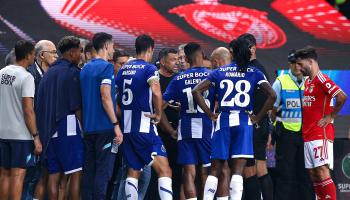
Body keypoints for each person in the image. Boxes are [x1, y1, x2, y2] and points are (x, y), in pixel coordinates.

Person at [192, 37, 276, 200]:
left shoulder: (220, 71)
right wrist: (258, 118)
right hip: (244, 123)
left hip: (223, 121)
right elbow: (272, 95)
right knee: (238, 171)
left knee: (215, 170)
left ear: (232, 52)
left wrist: (210, 113)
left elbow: (196, 91)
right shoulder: (254, 72)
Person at [116, 34, 173, 200]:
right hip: (144, 126)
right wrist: (159, 112)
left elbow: (117, 100)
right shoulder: (149, 69)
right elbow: (155, 90)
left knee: (133, 171)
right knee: (165, 170)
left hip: (127, 128)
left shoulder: (123, 70)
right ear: (151, 49)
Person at [163, 42, 215, 200]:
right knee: (206, 170)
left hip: (185, 129)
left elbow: (161, 105)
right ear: (201, 55)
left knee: (188, 171)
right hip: (206, 128)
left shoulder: (179, 78)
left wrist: (169, 129)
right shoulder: (211, 75)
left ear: (186, 58)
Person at [295, 46, 347, 200]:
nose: (298, 67)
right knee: (313, 174)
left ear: (310, 62)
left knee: (322, 171)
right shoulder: (308, 82)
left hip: (320, 133)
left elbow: (342, 96)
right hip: (308, 134)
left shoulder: (322, 79)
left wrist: (331, 116)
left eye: (300, 64)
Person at [35, 36, 83, 200]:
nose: (81, 55)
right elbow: (76, 106)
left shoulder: (47, 74)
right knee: (76, 173)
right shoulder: (72, 72)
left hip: (49, 131)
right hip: (68, 128)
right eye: (80, 52)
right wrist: (85, 129)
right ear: (71, 52)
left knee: (54, 176)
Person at [80, 32, 123, 200]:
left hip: (89, 128)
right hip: (105, 127)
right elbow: (105, 97)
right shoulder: (106, 67)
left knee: (89, 172)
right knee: (103, 172)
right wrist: (115, 124)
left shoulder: (85, 68)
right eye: (112, 46)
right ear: (106, 46)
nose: (113, 49)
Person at [0, 40, 43, 200]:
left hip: (2, 133)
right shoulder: (27, 77)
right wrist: (36, 136)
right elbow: (28, 110)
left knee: (4, 174)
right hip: (21, 136)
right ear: (28, 55)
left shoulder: (2, 72)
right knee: (18, 174)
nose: (34, 57)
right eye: (33, 54)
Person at [270, 50, 314, 200]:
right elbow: (272, 109)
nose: (296, 66)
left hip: (307, 136)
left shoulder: (310, 82)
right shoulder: (281, 81)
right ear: (290, 63)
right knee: (285, 174)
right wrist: (274, 128)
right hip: (286, 135)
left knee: (306, 174)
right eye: (293, 63)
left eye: (299, 63)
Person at [238, 33, 274, 200]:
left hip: (256, 126)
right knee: (256, 168)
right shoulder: (253, 67)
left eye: (242, 49)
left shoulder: (256, 69)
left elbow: (269, 97)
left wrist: (258, 118)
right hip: (259, 125)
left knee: (254, 168)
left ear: (252, 49)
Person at [22, 39, 58, 200]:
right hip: (29, 134)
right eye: (53, 53)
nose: (57, 56)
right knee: (29, 179)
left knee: (39, 176)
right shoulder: (30, 75)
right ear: (42, 55)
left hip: (44, 134)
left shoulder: (49, 75)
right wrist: (36, 136)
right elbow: (30, 109)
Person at [209, 47, 232, 199]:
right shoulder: (243, 72)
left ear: (216, 62)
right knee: (233, 168)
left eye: (212, 64)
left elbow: (197, 92)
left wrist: (210, 113)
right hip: (241, 126)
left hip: (222, 125)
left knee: (219, 167)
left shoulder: (217, 75)